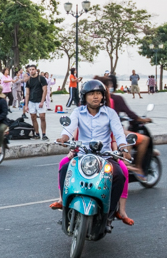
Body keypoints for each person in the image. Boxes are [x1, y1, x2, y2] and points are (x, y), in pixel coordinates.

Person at [53, 79, 134, 225]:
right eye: (91, 94)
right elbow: (69, 128)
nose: (95, 96)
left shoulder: (110, 113)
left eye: (98, 93)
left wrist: (123, 147)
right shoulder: (78, 112)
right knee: (65, 169)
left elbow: (119, 133)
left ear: (103, 96)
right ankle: (65, 206)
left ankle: (109, 213)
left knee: (120, 176)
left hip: (105, 156)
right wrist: (64, 137)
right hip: (83, 154)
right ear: (84, 96)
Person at [24, 65, 48, 140]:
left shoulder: (41, 78)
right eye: (30, 70)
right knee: (33, 117)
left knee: (42, 117)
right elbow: (27, 93)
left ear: (36, 70)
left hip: (40, 100)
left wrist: (42, 101)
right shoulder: (28, 80)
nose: (31, 71)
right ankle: (37, 133)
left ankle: (44, 134)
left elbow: (45, 90)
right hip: (31, 101)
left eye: (33, 69)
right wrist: (26, 105)